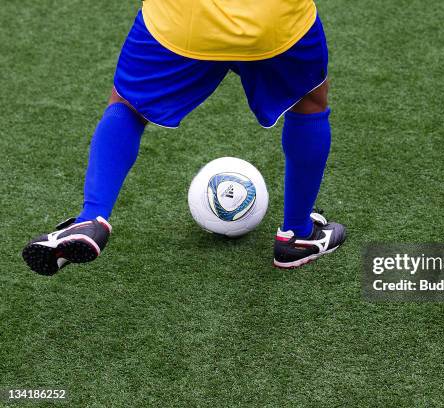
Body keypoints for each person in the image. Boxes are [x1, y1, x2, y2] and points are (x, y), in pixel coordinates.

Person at [22, 0, 346, 275]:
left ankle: (91, 216)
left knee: (128, 106)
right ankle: (297, 234)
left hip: (182, 21)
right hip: (274, 24)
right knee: (308, 102)